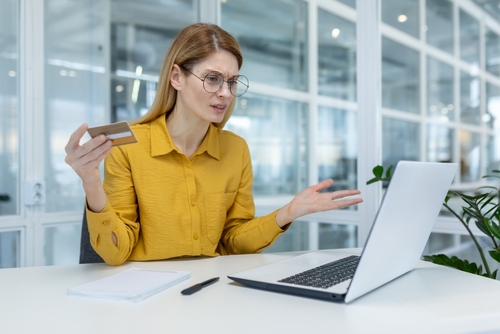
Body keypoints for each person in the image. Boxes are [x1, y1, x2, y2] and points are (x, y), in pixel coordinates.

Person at [64, 23, 363, 266]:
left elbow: (234, 242)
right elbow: (116, 253)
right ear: (177, 77)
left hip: (211, 290)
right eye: (212, 79)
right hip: (144, 298)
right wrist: (91, 182)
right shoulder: (129, 146)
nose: (225, 93)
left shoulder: (236, 149)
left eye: (231, 82)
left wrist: (288, 212)